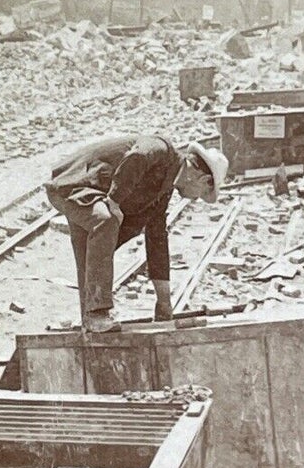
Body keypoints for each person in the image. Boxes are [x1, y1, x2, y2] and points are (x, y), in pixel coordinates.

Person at [44, 135, 229, 333]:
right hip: (72, 183)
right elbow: (137, 157)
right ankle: (97, 313)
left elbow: (157, 240)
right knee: (106, 221)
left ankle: (91, 320)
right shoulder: (162, 150)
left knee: (93, 250)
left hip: (89, 193)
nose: (195, 199)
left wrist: (164, 302)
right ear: (203, 179)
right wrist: (114, 202)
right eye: (201, 194)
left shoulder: (164, 192)